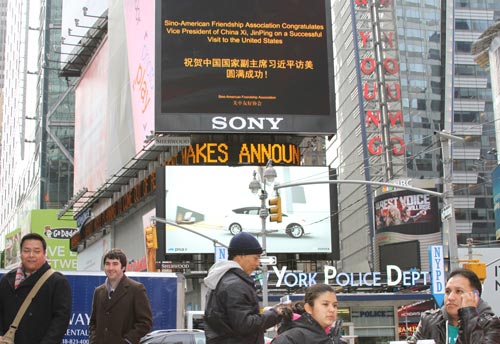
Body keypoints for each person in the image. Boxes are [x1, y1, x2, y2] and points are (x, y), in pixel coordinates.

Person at [204, 232, 283, 343]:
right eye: (255, 258)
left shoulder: (222, 280)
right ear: (241, 256)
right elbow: (245, 325)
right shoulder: (235, 284)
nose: (257, 263)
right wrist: (275, 313)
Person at [0, 232, 72, 343]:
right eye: (26, 251)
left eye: (36, 251)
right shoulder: (7, 280)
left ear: (44, 253)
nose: (31, 255)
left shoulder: (57, 282)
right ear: (20, 254)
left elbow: (60, 321)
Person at [408, 268, 500, 344]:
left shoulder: (490, 325)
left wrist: (468, 312)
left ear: (474, 295)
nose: (450, 297)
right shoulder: (429, 321)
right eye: (447, 291)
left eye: (459, 291)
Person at [89, 248, 153, 344]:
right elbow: (93, 322)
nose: (110, 268)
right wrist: (94, 340)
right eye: (107, 264)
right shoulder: (99, 291)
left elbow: (145, 323)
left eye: (115, 264)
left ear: (123, 267)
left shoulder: (136, 289)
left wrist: (128, 341)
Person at [272, 283, 346, 344]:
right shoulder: (290, 338)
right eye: (325, 304)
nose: (332, 309)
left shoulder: (334, 339)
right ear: (309, 308)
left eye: (335, 305)